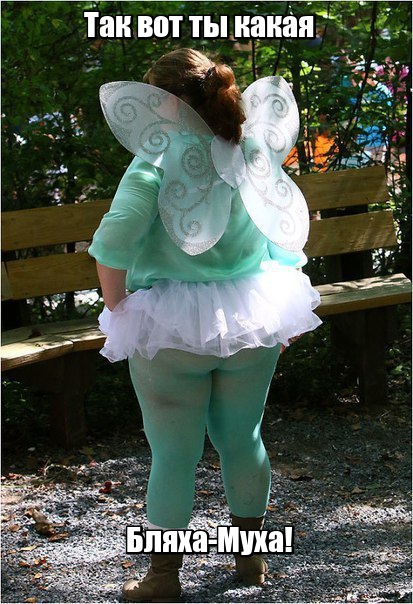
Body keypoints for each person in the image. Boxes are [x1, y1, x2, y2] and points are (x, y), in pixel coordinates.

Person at [88, 48, 322, 602]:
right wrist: (284, 306)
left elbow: (113, 240)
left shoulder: (155, 158)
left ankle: (162, 579)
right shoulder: (250, 148)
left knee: (174, 454)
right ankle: (250, 561)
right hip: (251, 315)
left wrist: (119, 309)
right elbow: (281, 231)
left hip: (169, 329)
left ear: (166, 102)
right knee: (243, 438)